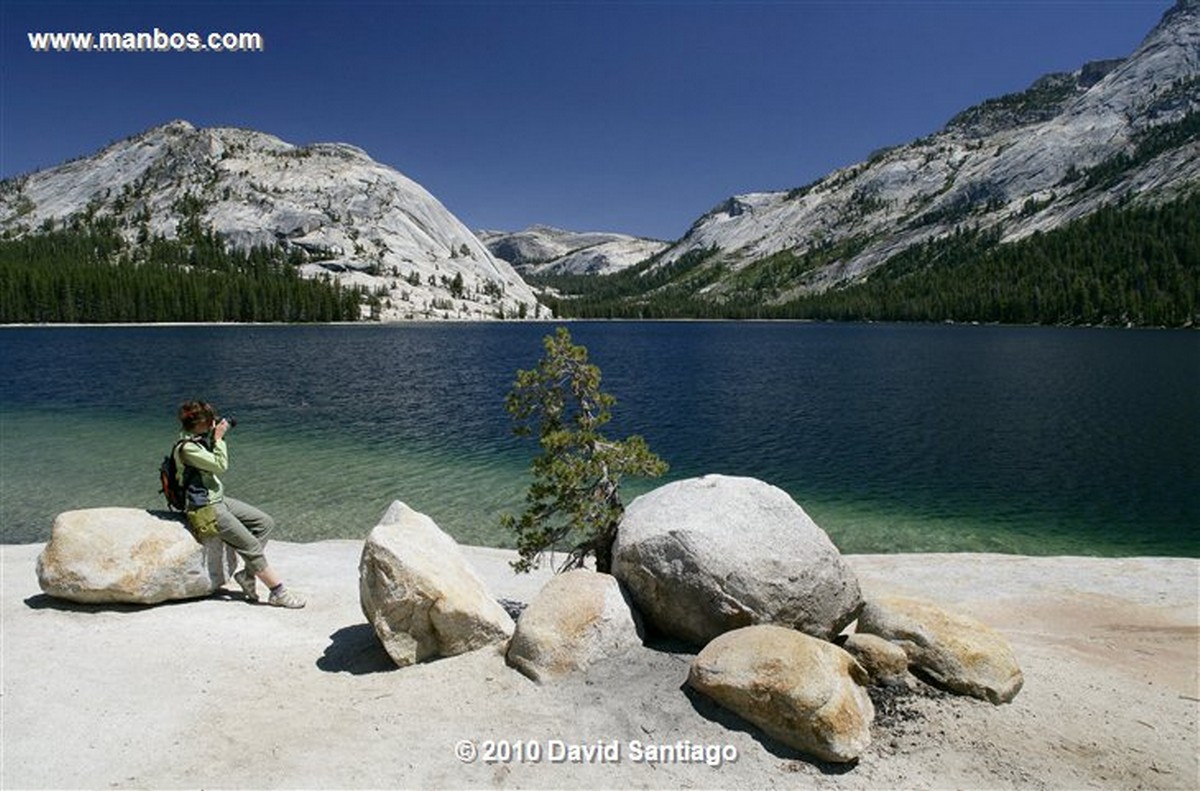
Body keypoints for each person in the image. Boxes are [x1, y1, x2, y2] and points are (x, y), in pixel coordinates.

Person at [174, 399, 305, 609]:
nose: (212, 424)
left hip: (218, 499)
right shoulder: (187, 448)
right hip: (206, 507)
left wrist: (213, 436)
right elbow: (220, 465)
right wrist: (219, 439)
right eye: (209, 421)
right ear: (198, 424)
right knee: (251, 546)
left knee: (265, 523)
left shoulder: (197, 439)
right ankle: (278, 592)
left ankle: (247, 575)